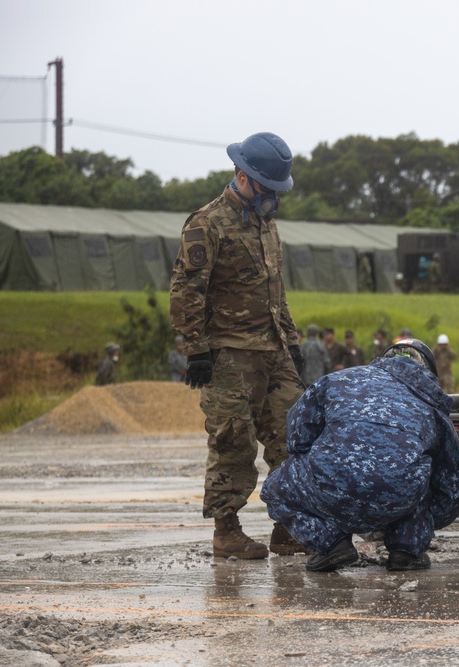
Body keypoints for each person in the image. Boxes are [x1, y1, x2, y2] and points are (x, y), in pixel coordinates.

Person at [170, 131, 307, 561]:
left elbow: (276, 290)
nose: (272, 198)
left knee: (294, 436)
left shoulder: (267, 226)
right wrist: (195, 348)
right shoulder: (206, 223)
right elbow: (186, 288)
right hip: (229, 354)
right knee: (234, 441)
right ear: (244, 177)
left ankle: (288, 528)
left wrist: (292, 339)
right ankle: (227, 532)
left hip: (273, 348)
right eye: (267, 188)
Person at [261, 339, 459, 572]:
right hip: (397, 498)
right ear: (429, 371)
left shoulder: (336, 380)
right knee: (420, 478)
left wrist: (324, 464)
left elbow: (296, 438)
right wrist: (429, 520)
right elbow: (454, 484)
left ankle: (331, 544)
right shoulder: (432, 404)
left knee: (274, 489)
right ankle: (406, 551)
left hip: (332, 488)